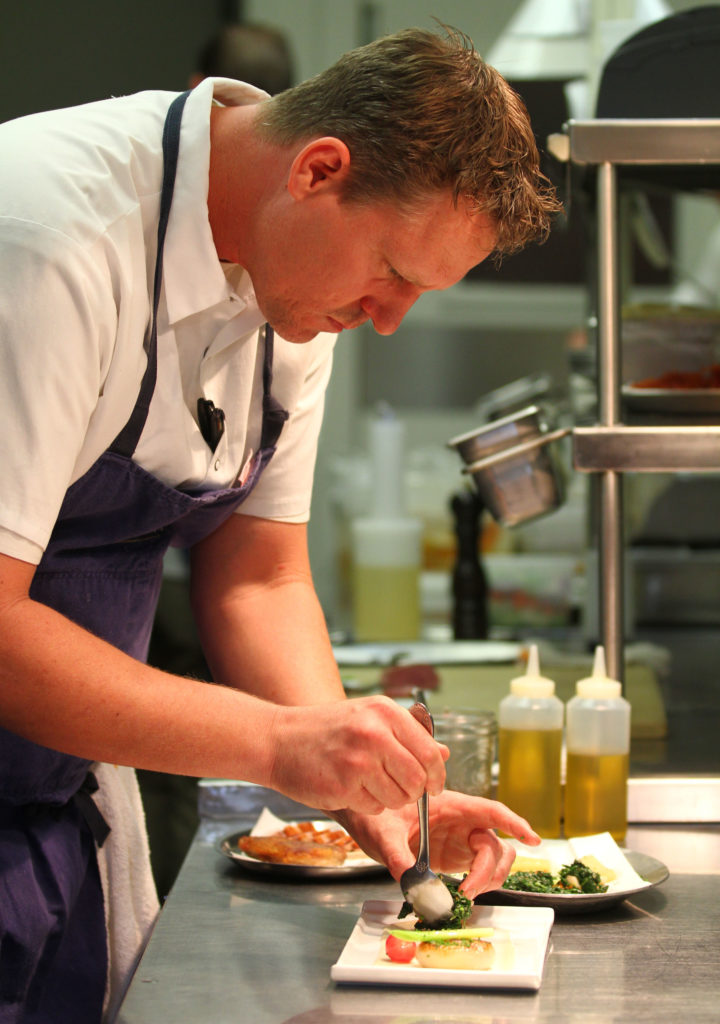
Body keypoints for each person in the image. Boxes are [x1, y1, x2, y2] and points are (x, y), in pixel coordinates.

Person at [0, 25, 560, 1024]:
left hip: (43, 807)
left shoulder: (293, 292)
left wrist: (373, 800)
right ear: (318, 169)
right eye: (391, 272)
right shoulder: (45, 238)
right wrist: (278, 742)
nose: (387, 318)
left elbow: (258, 578)